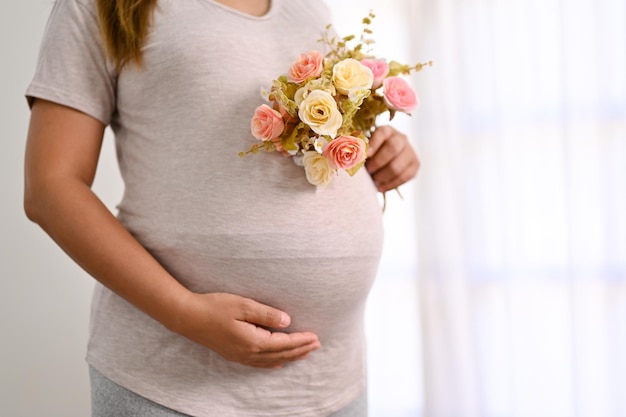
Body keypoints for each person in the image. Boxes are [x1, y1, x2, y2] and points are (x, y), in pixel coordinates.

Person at [23, 0, 420, 416]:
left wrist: (380, 151)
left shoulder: (307, 5)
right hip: (173, 386)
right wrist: (183, 312)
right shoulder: (98, 5)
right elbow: (51, 186)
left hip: (331, 382)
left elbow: (311, 143)